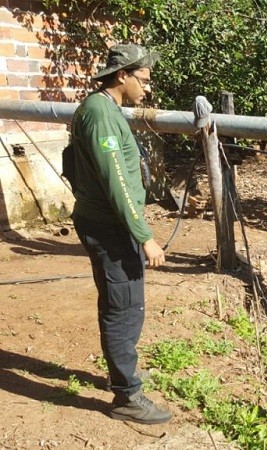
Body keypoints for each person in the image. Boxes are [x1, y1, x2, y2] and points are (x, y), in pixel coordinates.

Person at [70, 43, 172, 425]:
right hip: (109, 227)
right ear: (121, 75)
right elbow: (118, 183)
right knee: (124, 306)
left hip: (109, 222)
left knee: (120, 301)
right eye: (142, 80)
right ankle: (127, 396)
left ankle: (121, 376)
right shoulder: (100, 114)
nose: (147, 88)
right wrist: (144, 235)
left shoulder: (104, 109)